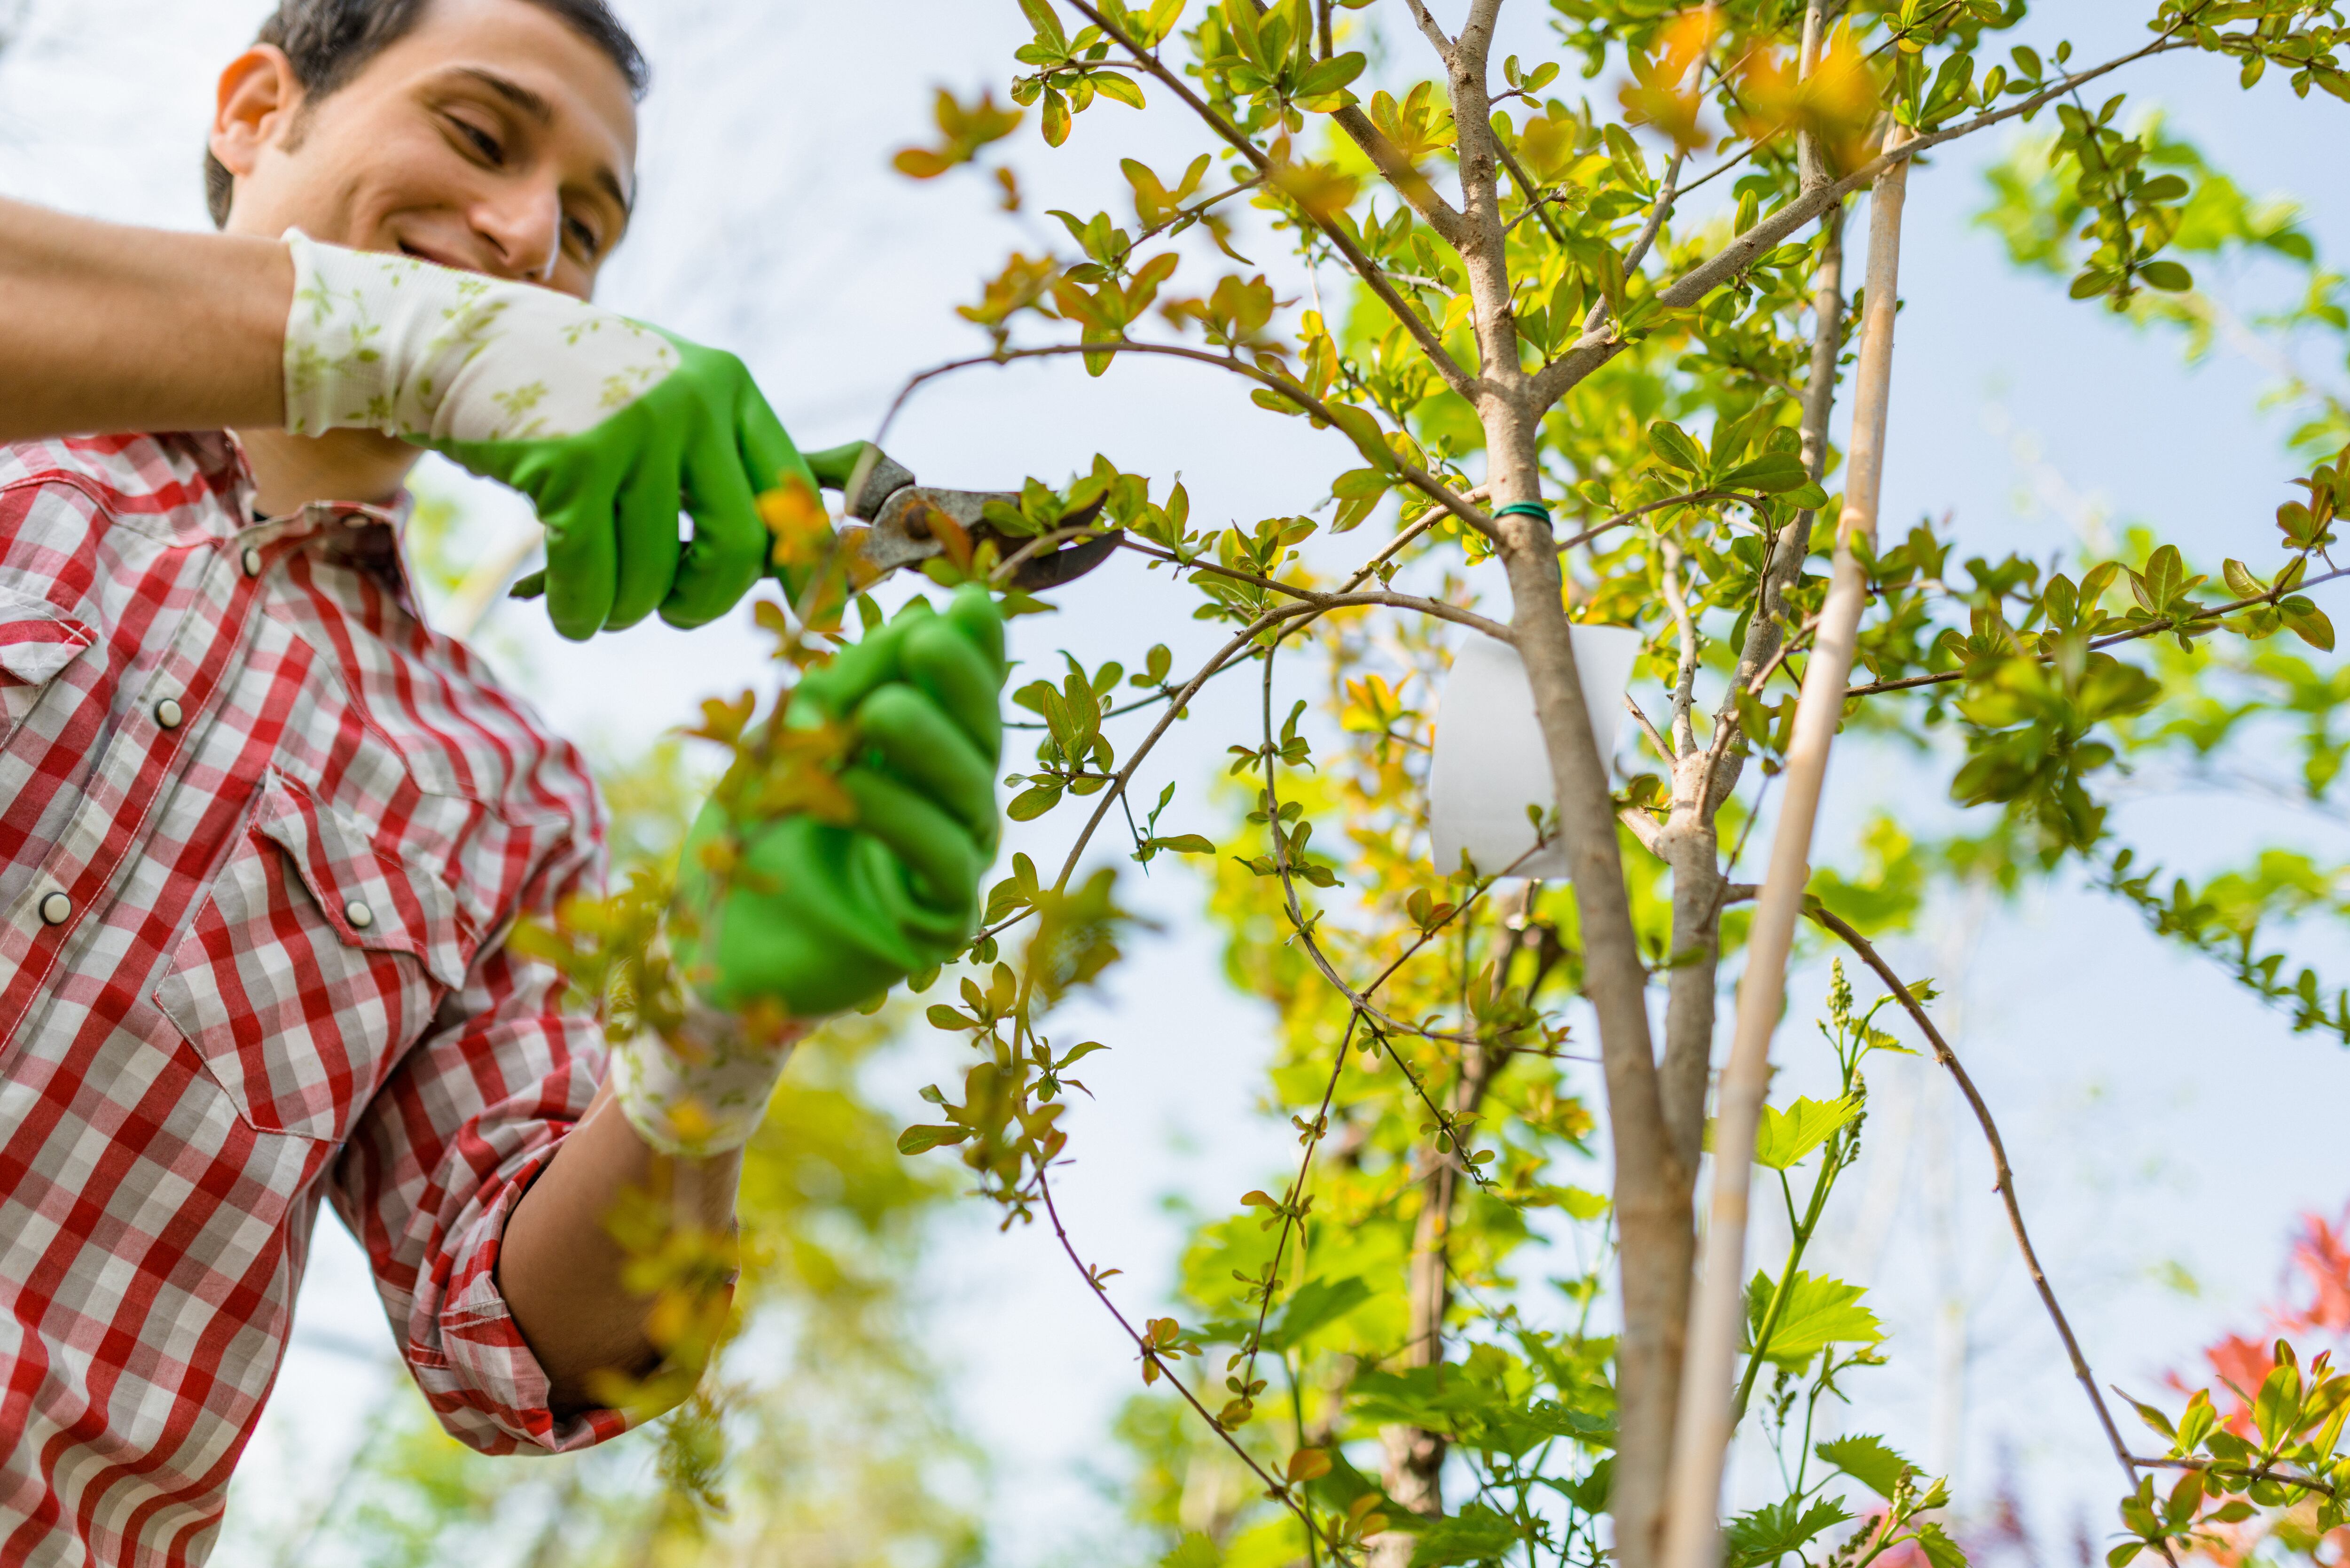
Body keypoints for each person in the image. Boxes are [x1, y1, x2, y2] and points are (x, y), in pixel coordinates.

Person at [0, 1, 1006, 1562]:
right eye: (480, 137)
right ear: (259, 109)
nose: (532, 234)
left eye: (591, 230)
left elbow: (542, 1344)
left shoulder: (503, 790)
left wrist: (713, 1037)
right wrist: (399, 332)